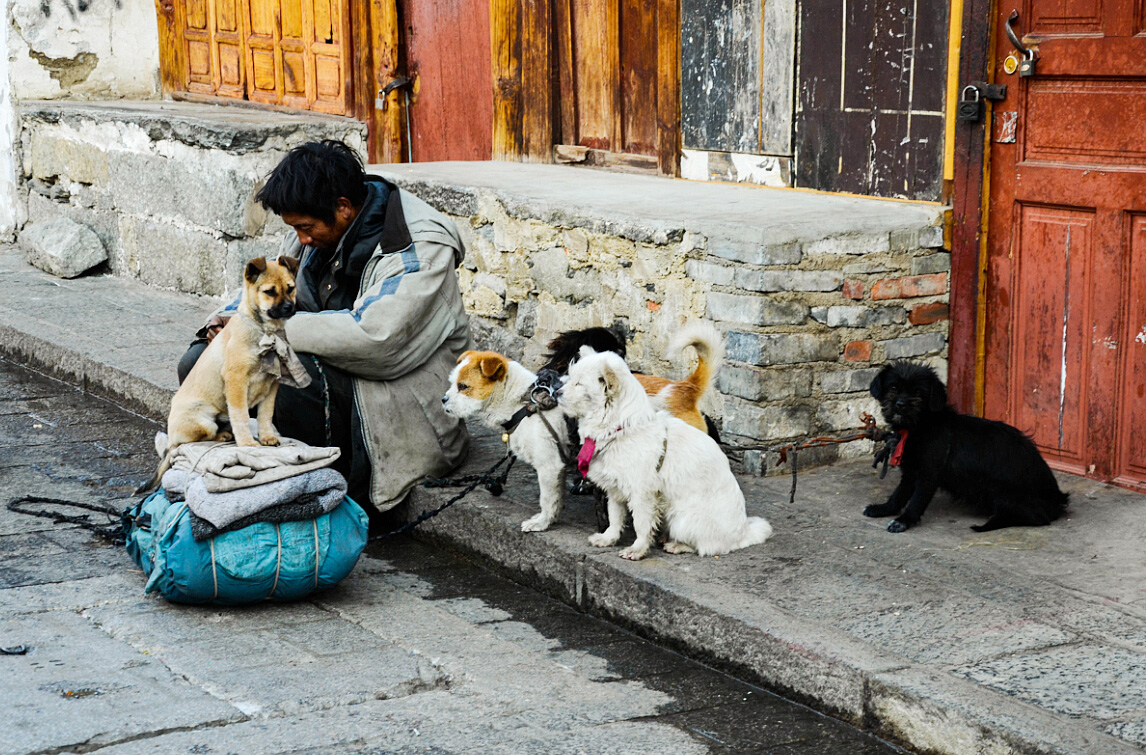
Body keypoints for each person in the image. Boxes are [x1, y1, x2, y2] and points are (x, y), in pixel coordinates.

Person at [178, 139, 470, 514]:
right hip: (337, 368)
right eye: (295, 228)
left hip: (399, 396)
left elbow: (377, 340)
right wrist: (226, 324)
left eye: (305, 227)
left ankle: (314, 491)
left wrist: (265, 333)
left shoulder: (419, 244)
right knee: (200, 362)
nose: (300, 238)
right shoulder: (317, 227)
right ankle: (254, 481)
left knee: (283, 375)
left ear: (343, 208)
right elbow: (264, 293)